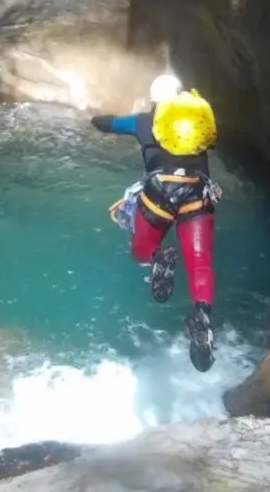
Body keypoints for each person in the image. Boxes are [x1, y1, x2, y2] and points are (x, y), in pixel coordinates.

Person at [91, 74, 221, 372]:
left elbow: (108, 123)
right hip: (196, 191)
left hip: (158, 191)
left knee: (141, 251)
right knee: (200, 263)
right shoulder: (197, 119)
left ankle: (158, 257)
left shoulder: (142, 121)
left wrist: (96, 119)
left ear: (154, 100)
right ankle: (201, 315)